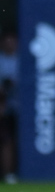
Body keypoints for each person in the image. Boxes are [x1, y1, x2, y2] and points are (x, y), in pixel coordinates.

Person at [0, 30, 18, 183]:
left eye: (13, 40)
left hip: (21, 109)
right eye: (7, 40)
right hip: (3, 109)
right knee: (6, 141)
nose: (10, 44)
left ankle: (11, 173)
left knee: (12, 141)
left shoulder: (25, 60)